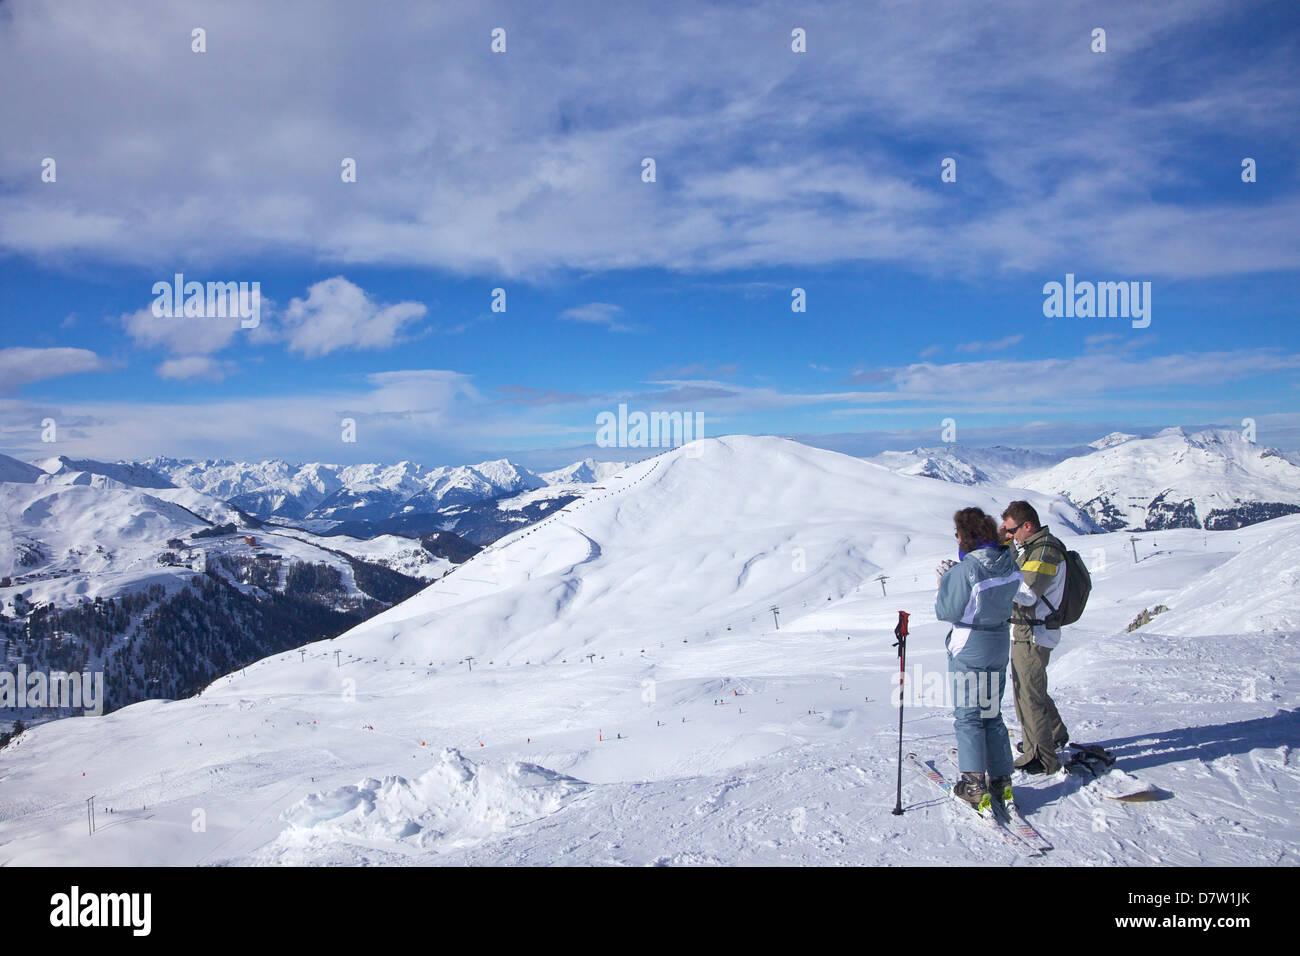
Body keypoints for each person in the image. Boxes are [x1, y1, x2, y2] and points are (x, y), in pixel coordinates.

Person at [934, 507, 1023, 811]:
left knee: (969, 714)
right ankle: (1001, 779)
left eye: (958, 533)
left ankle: (973, 784)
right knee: (991, 712)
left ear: (966, 535)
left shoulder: (965, 570)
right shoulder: (1007, 561)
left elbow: (947, 611)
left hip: (970, 643)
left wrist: (945, 581)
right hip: (999, 640)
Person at [999, 500, 1070, 774]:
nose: (1010, 536)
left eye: (1012, 530)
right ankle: (1051, 736)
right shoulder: (1032, 548)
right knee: (1032, 689)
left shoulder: (1044, 552)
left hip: (1034, 632)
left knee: (1027, 694)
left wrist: (999, 585)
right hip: (1029, 629)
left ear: (1027, 526)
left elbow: (1028, 595)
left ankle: (1042, 757)